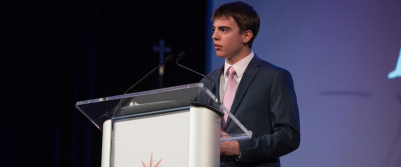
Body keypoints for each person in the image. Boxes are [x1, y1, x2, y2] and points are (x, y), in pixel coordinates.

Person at [201, 1, 301, 167]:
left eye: (224, 29)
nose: (214, 36)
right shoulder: (207, 82)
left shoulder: (274, 77)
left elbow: (289, 136)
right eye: (214, 29)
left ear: (246, 36)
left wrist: (240, 148)